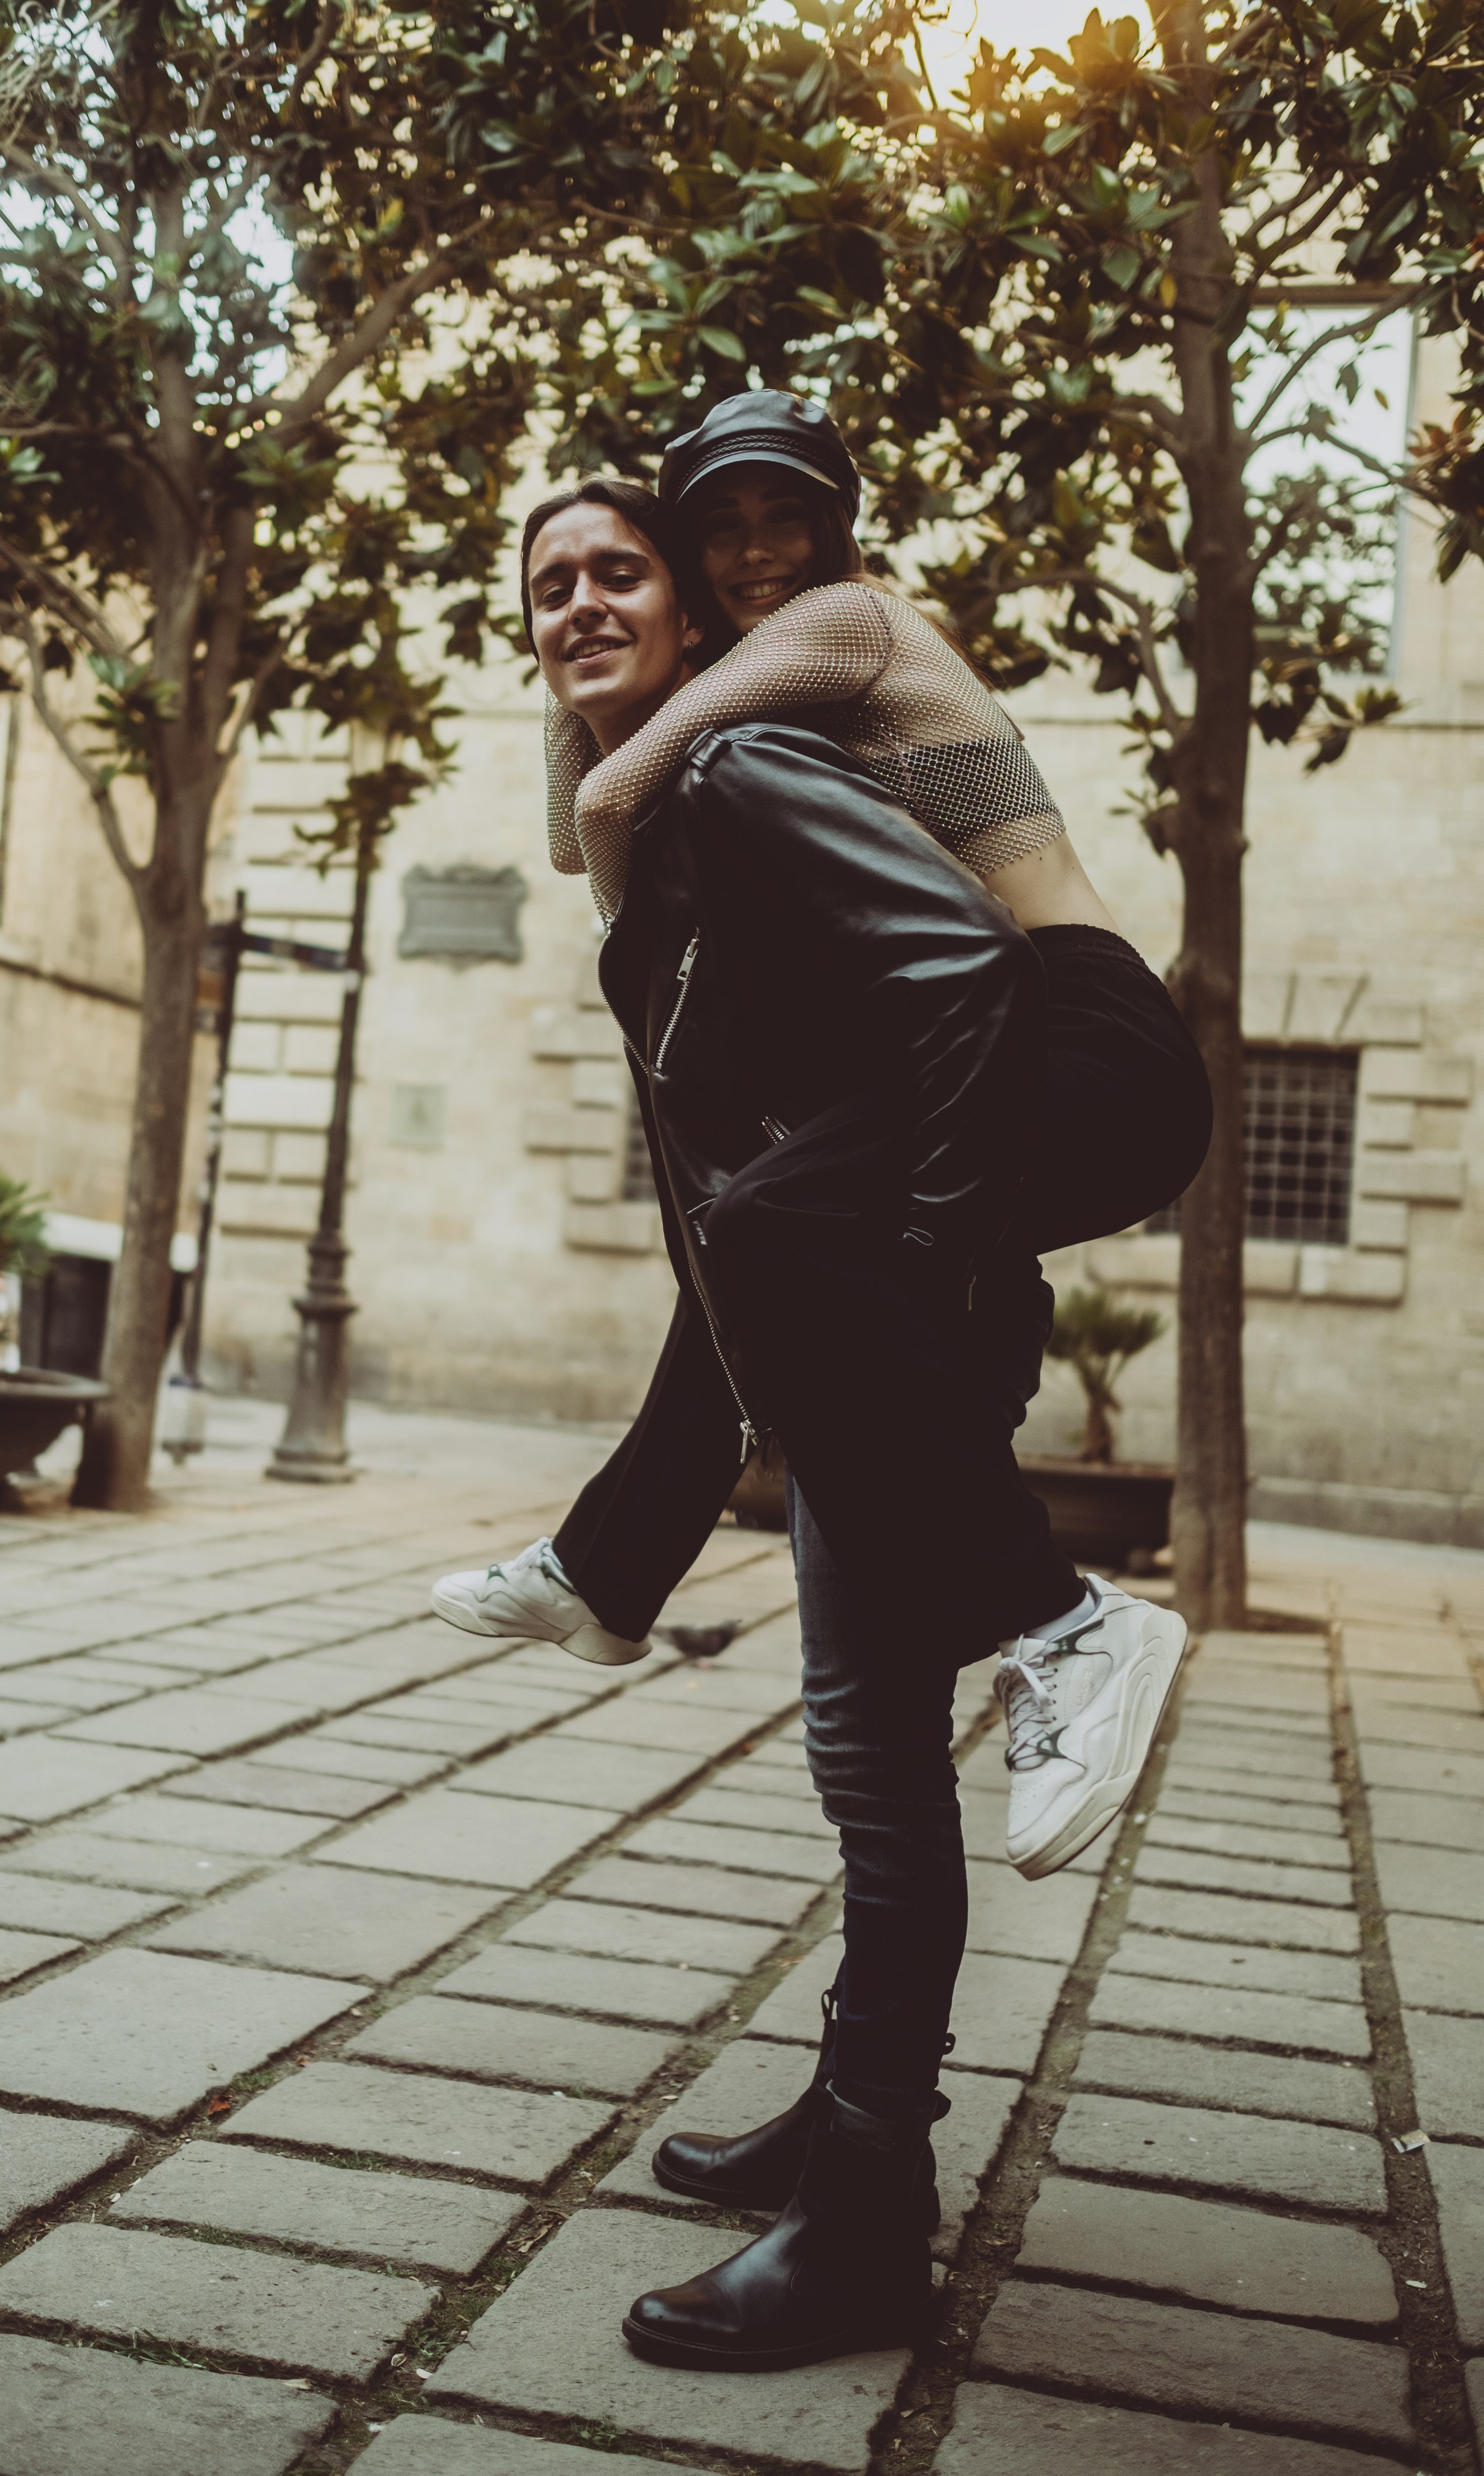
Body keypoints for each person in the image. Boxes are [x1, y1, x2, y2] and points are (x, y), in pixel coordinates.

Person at [432, 465, 1196, 2375]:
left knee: (869, 1751)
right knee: (865, 1762)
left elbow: (948, 987)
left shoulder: (739, 772)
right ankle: (853, 2122)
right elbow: (744, 1172)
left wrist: (915, 1248)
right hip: (892, 1263)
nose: (585, 605)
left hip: (930, 1259)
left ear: (705, 624)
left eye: (625, 573)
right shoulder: (708, 821)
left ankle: (866, 2209)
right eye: (552, 586)